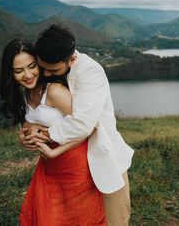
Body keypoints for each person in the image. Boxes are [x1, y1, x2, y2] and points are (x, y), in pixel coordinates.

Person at [21, 24, 134, 226]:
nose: (45, 74)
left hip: (102, 154)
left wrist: (43, 135)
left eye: (53, 69)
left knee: (115, 219)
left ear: (72, 58)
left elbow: (82, 124)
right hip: (71, 165)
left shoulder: (91, 73)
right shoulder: (49, 71)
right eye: (42, 67)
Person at [0, 39, 106, 225]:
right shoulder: (22, 96)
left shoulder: (54, 91)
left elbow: (89, 128)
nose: (27, 74)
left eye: (32, 66)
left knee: (78, 218)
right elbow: (27, 129)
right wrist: (24, 139)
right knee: (46, 217)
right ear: (10, 73)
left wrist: (55, 151)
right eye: (18, 70)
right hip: (48, 167)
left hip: (76, 165)